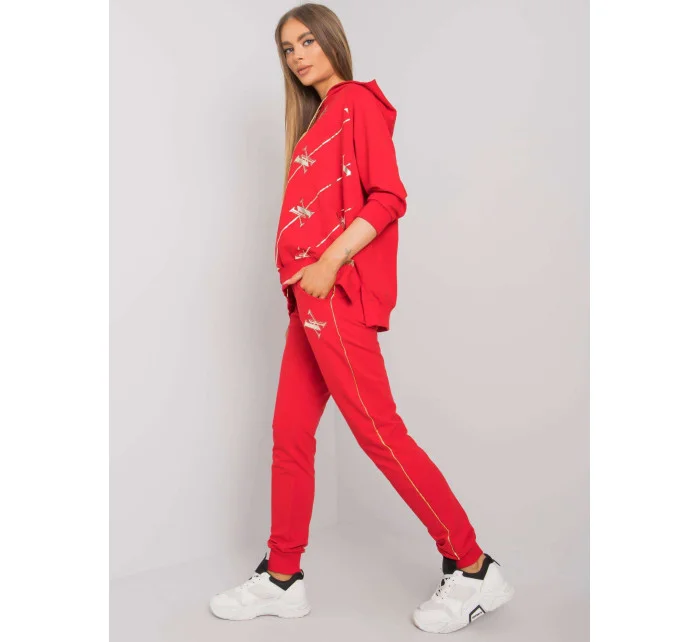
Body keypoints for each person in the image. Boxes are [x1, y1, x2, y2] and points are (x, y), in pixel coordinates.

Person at [209, 3, 514, 633]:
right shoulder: (317, 118)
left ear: (331, 40)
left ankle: (473, 567)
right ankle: (283, 577)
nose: (297, 55)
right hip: (307, 301)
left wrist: (328, 262)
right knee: (290, 434)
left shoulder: (356, 102)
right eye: (287, 48)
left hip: (334, 293)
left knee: (379, 431)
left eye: (306, 41)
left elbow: (388, 196)